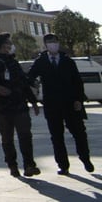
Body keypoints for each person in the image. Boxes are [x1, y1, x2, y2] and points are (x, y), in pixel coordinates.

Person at [25, 33, 94, 175]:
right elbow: (30, 77)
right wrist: (34, 83)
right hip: (52, 104)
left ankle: (85, 159)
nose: (53, 44)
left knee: (79, 133)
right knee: (56, 136)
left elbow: (77, 82)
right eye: (50, 42)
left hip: (70, 102)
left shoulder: (67, 61)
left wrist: (78, 100)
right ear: (45, 45)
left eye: (55, 41)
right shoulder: (41, 61)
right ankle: (63, 165)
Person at [0, 32, 42, 177]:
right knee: (7, 138)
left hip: (20, 105)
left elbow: (23, 82)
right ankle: (12, 165)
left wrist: (33, 101)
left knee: (25, 135)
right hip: (2, 108)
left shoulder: (13, 62)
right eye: (8, 43)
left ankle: (29, 165)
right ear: (1, 45)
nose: (10, 46)